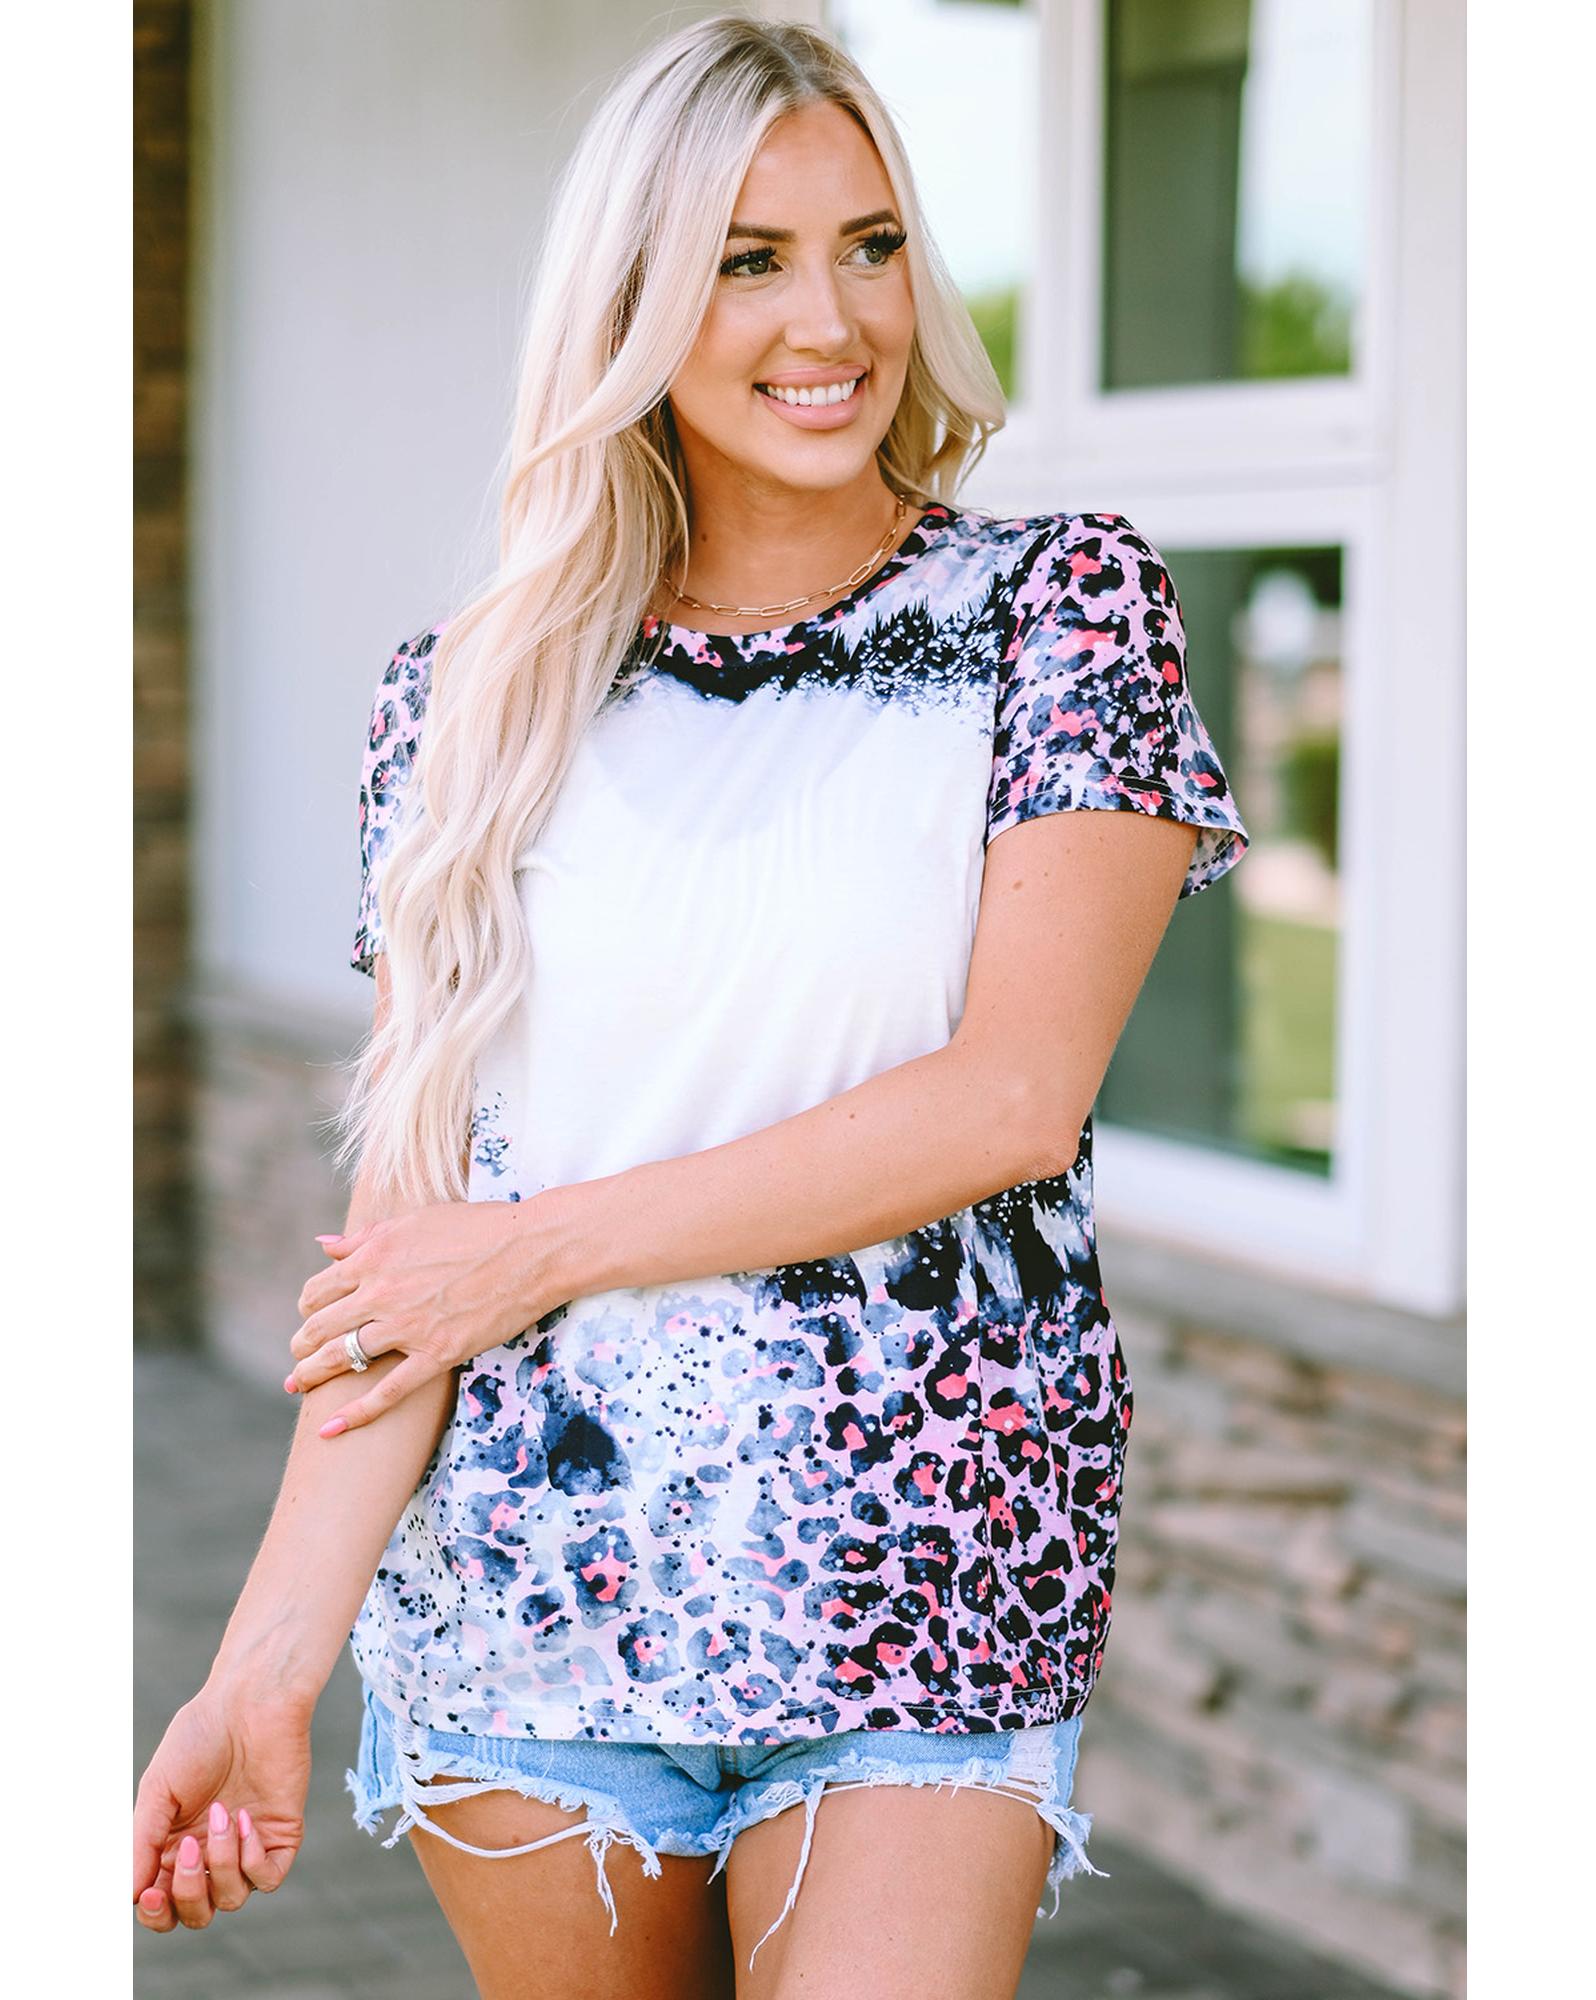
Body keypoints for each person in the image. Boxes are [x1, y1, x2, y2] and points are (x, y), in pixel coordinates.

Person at [132, 14, 1249, 1997]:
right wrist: (260, 1665)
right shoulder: (466, 700)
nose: (832, 318)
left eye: (870, 244)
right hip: (528, 1600)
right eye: (747, 259)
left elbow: (1008, 1099)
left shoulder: (1058, 610)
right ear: (631, 300)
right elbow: (412, 1249)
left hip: (920, 1583)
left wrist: (533, 1252)